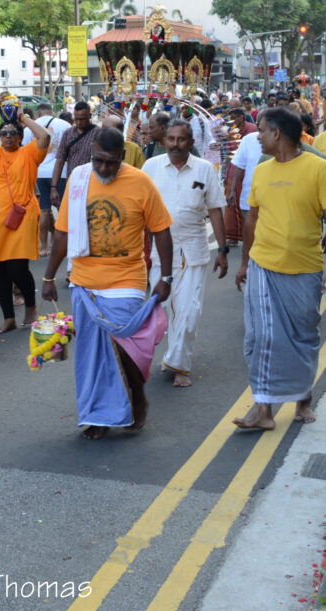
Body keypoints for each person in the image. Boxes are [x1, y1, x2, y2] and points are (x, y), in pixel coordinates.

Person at [42, 127, 173, 438]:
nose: (103, 168)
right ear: (91, 154)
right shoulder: (78, 179)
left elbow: (161, 230)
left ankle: (136, 399)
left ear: (122, 157)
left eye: (111, 162)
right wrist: (48, 276)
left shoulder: (140, 182)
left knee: (126, 350)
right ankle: (98, 417)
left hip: (126, 278)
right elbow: (62, 233)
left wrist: (166, 277)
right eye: (98, 160)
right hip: (84, 281)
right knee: (91, 356)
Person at [234, 108, 326, 430]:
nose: (257, 136)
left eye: (261, 131)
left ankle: (303, 399)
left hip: (305, 268)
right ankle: (263, 409)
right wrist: (245, 262)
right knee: (260, 337)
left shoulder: (318, 168)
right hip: (264, 265)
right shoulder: (261, 171)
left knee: (304, 336)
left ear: (277, 134)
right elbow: (252, 219)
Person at [143, 119, 228, 387]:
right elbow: (139, 211)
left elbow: (215, 210)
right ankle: (174, 356)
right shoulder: (150, 167)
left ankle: (179, 365)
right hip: (160, 252)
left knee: (189, 311)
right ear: (164, 140)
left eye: (181, 140)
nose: (175, 145)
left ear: (191, 142)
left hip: (193, 249)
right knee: (166, 308)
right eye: (171, 139)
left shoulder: (204, 169)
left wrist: (222, 249)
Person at [0, 92, 51, 333]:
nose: (7, 136)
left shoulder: (29, 153)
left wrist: (23, 117)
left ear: (21, 136)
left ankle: (31, 306)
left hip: (21, 218)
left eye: (13, 132)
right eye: (3, 133)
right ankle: (8, 318)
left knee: (17, 269)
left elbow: (45, 136)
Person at [22, 104, 71, 256]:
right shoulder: (64, 125)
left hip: (39, 172)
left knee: (44, 211)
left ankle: (44, 247)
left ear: (39, 112)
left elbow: (25, 151)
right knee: (63, 210)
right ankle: (65, 245)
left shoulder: (29, 128)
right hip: (60, 172)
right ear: (52, 112)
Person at [49, 101, 99, 209]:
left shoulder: (98, 133)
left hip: (92, 185)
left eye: (82, 119)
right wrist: (53, 188)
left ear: (90, 116)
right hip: (73, 184)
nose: (79, 122)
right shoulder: (68, 133)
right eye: (76, 119)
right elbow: (60, 161)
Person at [226, 121, 263, 219]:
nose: (259, 137)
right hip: (249, 199)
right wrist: (232, 190)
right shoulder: (248, 139)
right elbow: (239, 166)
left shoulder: (282, 143)